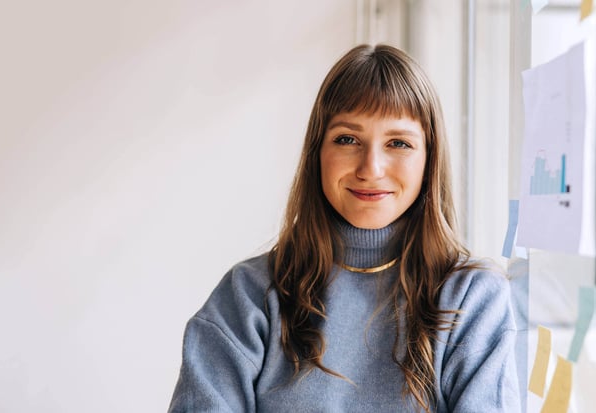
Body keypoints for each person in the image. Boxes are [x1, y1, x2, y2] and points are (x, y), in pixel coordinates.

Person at [168, 44, 520, 412]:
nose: (371, 168)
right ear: (317, 152)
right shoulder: (248, 297)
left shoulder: (472, 298)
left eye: (398, 143)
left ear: (429, 160)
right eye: (347, 139)